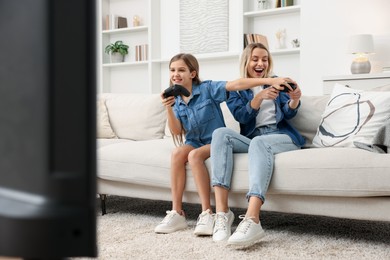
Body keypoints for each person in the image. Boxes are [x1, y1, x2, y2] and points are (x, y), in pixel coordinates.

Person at [154, 53, 294, 236]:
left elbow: (234, 85)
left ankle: (207, 213)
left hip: (214, 142)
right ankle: (177, 212)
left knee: (194, 156)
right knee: (177, 154)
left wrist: (269, 80)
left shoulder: (207, 88)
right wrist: (168, 108)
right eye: (172, 70)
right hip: (194, 141)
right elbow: (176, 131)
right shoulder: (177, 99)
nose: (175, 74)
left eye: (181, 70)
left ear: (193, 73)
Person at [210, 42, 305, 246]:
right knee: (220, 134)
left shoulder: (277, 82)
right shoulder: (236, 90)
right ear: (247, 61)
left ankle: (253, 219)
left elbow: (288, 112)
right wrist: (260, 96)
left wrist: (294, 100)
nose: (260, 63)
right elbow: (243, 117)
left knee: (260, 142)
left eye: (264, 59)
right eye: (255, 59)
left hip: (281, 136)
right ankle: (222, 214)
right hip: (254, 139)